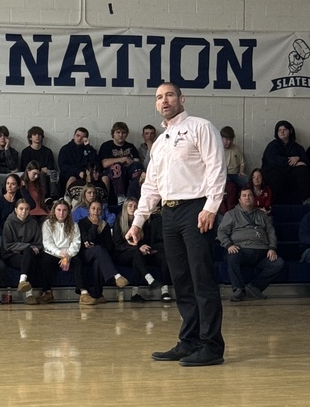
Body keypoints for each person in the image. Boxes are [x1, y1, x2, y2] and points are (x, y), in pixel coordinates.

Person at [127, 82, 226, 367]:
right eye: (159, 97)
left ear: (182, 98)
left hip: (196, 209)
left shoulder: (201, 127)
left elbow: (216, 168)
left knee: (201, 278)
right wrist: (138, 222)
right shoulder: (159, 142)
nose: (164, 100)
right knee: (181, 280)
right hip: (168, 214)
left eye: (169, 95)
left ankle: (212, 345)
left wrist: (210, 206)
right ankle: (190, 341)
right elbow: (152, 186)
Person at [217, 188, 284, 301]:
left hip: (262, 252)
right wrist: (228, 245)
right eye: (244, 195)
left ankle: (255, 288)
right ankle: (238, 290)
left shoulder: (262, 215)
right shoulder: (231, 214)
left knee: (278, 263)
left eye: (250, 195)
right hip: (241, 251)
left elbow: (271, 232)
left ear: (254, 198)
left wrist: (272, 248)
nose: (247, 197)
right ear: (239, 199)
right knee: (232, 257)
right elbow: (221, 231)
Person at [40, 199, 94, 305]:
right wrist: (60, 254)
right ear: (54, 211)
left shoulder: (74, 225)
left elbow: (76, 243)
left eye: (64, 210)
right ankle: (47, 292)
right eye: (59, 210)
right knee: (43, 261)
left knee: (78, 262)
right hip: (53, 253)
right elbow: (47, 243)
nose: (61, 213)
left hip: (69, 254)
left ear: (68, 212)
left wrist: (67, 256)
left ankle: (83, 293)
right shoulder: (47, 224)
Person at [111, 197, 162, 301]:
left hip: (137, 254)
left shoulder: (142, 222)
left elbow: (146, 240)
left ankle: (135, 294)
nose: (133, 208)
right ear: (125, 207)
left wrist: (143, 248)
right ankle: (149, 278)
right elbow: (118, 246)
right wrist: (138, 247)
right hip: (121, 254)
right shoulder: (119, 221)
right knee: (136, 253)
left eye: (135, 206)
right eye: (130, 206)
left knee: (137, 257)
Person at [78, 199, 128, 300]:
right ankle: (115, 275)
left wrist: (95, 243)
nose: (96, 211)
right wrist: (94, 225)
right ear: (89, 210)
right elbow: (86, 240)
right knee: (98, 249)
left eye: (98, 209)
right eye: (93, 208)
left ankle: (98, 294)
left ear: (101, 211)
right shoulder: (82, 223)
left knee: (98, 262)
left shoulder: (105, 225)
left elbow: (109, 246)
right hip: (85, 254)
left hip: (100, 255)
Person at [261, 120, 310, 204]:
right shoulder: (272, 145)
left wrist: (298, 158)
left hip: (290, 176)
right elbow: (274, 160)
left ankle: (306, 199)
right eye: (279, 130)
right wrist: (294, 163)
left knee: (303, 170)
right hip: (275, 173)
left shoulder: (297, 147)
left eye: (285, 129)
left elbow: (306, 161)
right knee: (274, 175)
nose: (282, 132)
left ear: (290, 131)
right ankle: (276, 205)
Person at [2, 198, 42, 303]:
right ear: (16, 210)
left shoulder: (33, 222)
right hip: (11, 255)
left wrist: (27, 248)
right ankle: (28, 294)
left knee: (30, 256)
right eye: (21, 209)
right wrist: (26, 246)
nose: (24, 211)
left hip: (27, 253)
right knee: (30, 258)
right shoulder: (9, 222)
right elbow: (7, 245)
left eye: (26, 209)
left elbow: (38, 243)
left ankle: (23, 282)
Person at [98, 122, 140, 203]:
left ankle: (135, 198)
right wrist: (123, 159)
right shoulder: (106, 146)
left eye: (123, 133)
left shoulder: (131, 146)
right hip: (111, 172)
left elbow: (137, 162)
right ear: (113, 133)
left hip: (128, 170)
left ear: (127, 134)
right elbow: (104, 163)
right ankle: (120, 196)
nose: (121, 135)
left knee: (138, 170)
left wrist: (129, 161)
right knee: (117, 167)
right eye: (118, 132)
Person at [19, 126, 58, 197]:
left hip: (47, 174)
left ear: (42, 137)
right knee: (42, 174)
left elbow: (51, 167)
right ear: (30, 137)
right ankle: (44, 196)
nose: (37, 136)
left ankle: (54, 197)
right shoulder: (26, 152)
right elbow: (25, 167)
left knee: (53, 173)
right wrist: (40, 169)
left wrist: (47, 170)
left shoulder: (47, 151)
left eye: (39, 134)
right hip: (31, 174)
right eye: (34, 134)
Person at [58, 127, 97, 194]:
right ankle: (67, 198)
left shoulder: (89, 149)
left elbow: (94, 161)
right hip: (70, 173)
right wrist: (78, 172)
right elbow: (63, 166)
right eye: (78, 136)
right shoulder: (65, 149)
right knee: (72, 178)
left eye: (83, 137)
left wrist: (87, 147)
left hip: (85, 173)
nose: (79, 138)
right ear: (74, 136)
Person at [0, 172, 23, 240]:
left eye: (13, 184)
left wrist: (23, 188)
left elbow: (32, 205)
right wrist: (5, 235)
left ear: (18, 186)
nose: (9, 186)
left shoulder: (19, 201)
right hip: (1, 232)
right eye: (7, 183)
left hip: (16, 232)